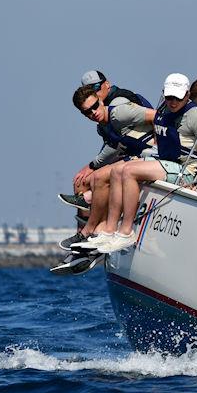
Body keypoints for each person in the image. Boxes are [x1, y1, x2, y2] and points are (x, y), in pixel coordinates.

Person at [78, 73, 197, 253]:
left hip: (185, 170)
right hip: (164, 161)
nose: (173, 102)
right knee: (117, 171)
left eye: (178, 98)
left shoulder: (196, 115)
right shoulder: (164, 110)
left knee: (128, 172)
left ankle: (126, 233)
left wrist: (196, 184)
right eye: (169, 97)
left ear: (187, 95)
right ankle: (109, 231)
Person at [51, 85, 156, 273]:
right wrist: (92, 165)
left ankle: (90, 229)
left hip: (155, 156)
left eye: (95, 107)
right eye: (88, 112)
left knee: (101, 177)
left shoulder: (119, 113)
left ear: (101, 100)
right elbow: (113, 146)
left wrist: (158, 144)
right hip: (140, 157)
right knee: (95, 177)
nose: (93, 113)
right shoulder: (105, 125)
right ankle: (90, 236)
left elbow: (158, 118)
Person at [60, 70, 153, 212]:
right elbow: (112, 143)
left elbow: (118, 145)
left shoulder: (118, 105)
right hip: (130, 151)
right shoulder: (101, 113)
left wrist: (94, 165)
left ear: (107, 84)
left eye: (96, 88)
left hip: (144, 152)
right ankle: (85, 230)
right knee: (81, 181)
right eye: (90, 90)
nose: (94, 93)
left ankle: (98, 226)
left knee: (98, 177)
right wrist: (93, 165)